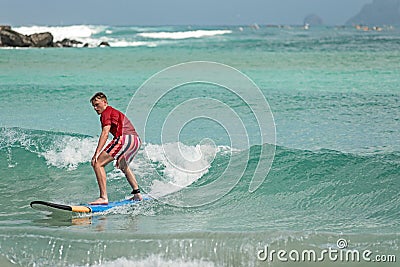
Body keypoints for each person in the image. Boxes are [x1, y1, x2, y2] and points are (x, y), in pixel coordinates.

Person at [89, 92, 142, 204]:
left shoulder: (106, 112)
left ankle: (103, 197)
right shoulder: (115, 112)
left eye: (97, 104)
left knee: (97, 163)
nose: (95, 108)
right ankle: (137, 193)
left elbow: (105, 133)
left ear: (105, 102)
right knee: (123, 165)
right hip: (136, 140)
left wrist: (96, 154)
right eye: (93, 106)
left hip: (124, 139)